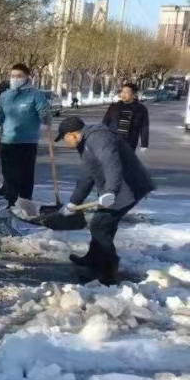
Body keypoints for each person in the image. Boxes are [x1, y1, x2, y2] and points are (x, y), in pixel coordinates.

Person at [56, 116, 154, 285]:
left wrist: (111, 191)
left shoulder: (99, 138)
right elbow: (87, 175)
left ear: (72, 135)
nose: (65, 143)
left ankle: (108, 271)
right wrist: (74, 202)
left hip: (128, 188)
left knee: (100, 226)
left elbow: (111, 163)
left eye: (64, 138)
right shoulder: (85, 144)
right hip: (117, 189)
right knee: (102, 224)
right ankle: (93, 259)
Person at [0, 63, 51, 206]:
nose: (15, 79)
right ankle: (11, 202)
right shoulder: (5, 96)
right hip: (7, 140)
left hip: (27, 141)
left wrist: (46, 117)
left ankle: (26, 203)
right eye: (13, 76)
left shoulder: (36, 95)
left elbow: (44, 112)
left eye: (19, 76)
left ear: (27, 77)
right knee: (9, 174)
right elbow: (0, 113)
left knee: (25, 175)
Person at [102, 83, 149, 152]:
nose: (123, 94)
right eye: (122, 92)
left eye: (127, 92)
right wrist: (102, 137)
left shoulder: (141, 109)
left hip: (130, 141)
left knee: (126, 161)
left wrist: (144, 144)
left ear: (133, 95)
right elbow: (105, 122)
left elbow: (144, 127)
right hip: (113, 139)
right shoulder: (114, 106)